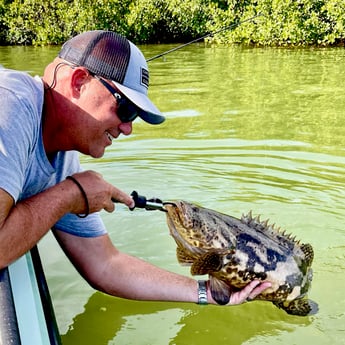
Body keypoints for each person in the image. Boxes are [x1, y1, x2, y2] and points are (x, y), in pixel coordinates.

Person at [0, 30, 270, 308]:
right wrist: (71, 196)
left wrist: (207, 293)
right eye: (126, 109)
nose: (127, 129)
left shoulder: (62, 163)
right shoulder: (9, 104)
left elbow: (106, 264)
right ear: (79, 82)